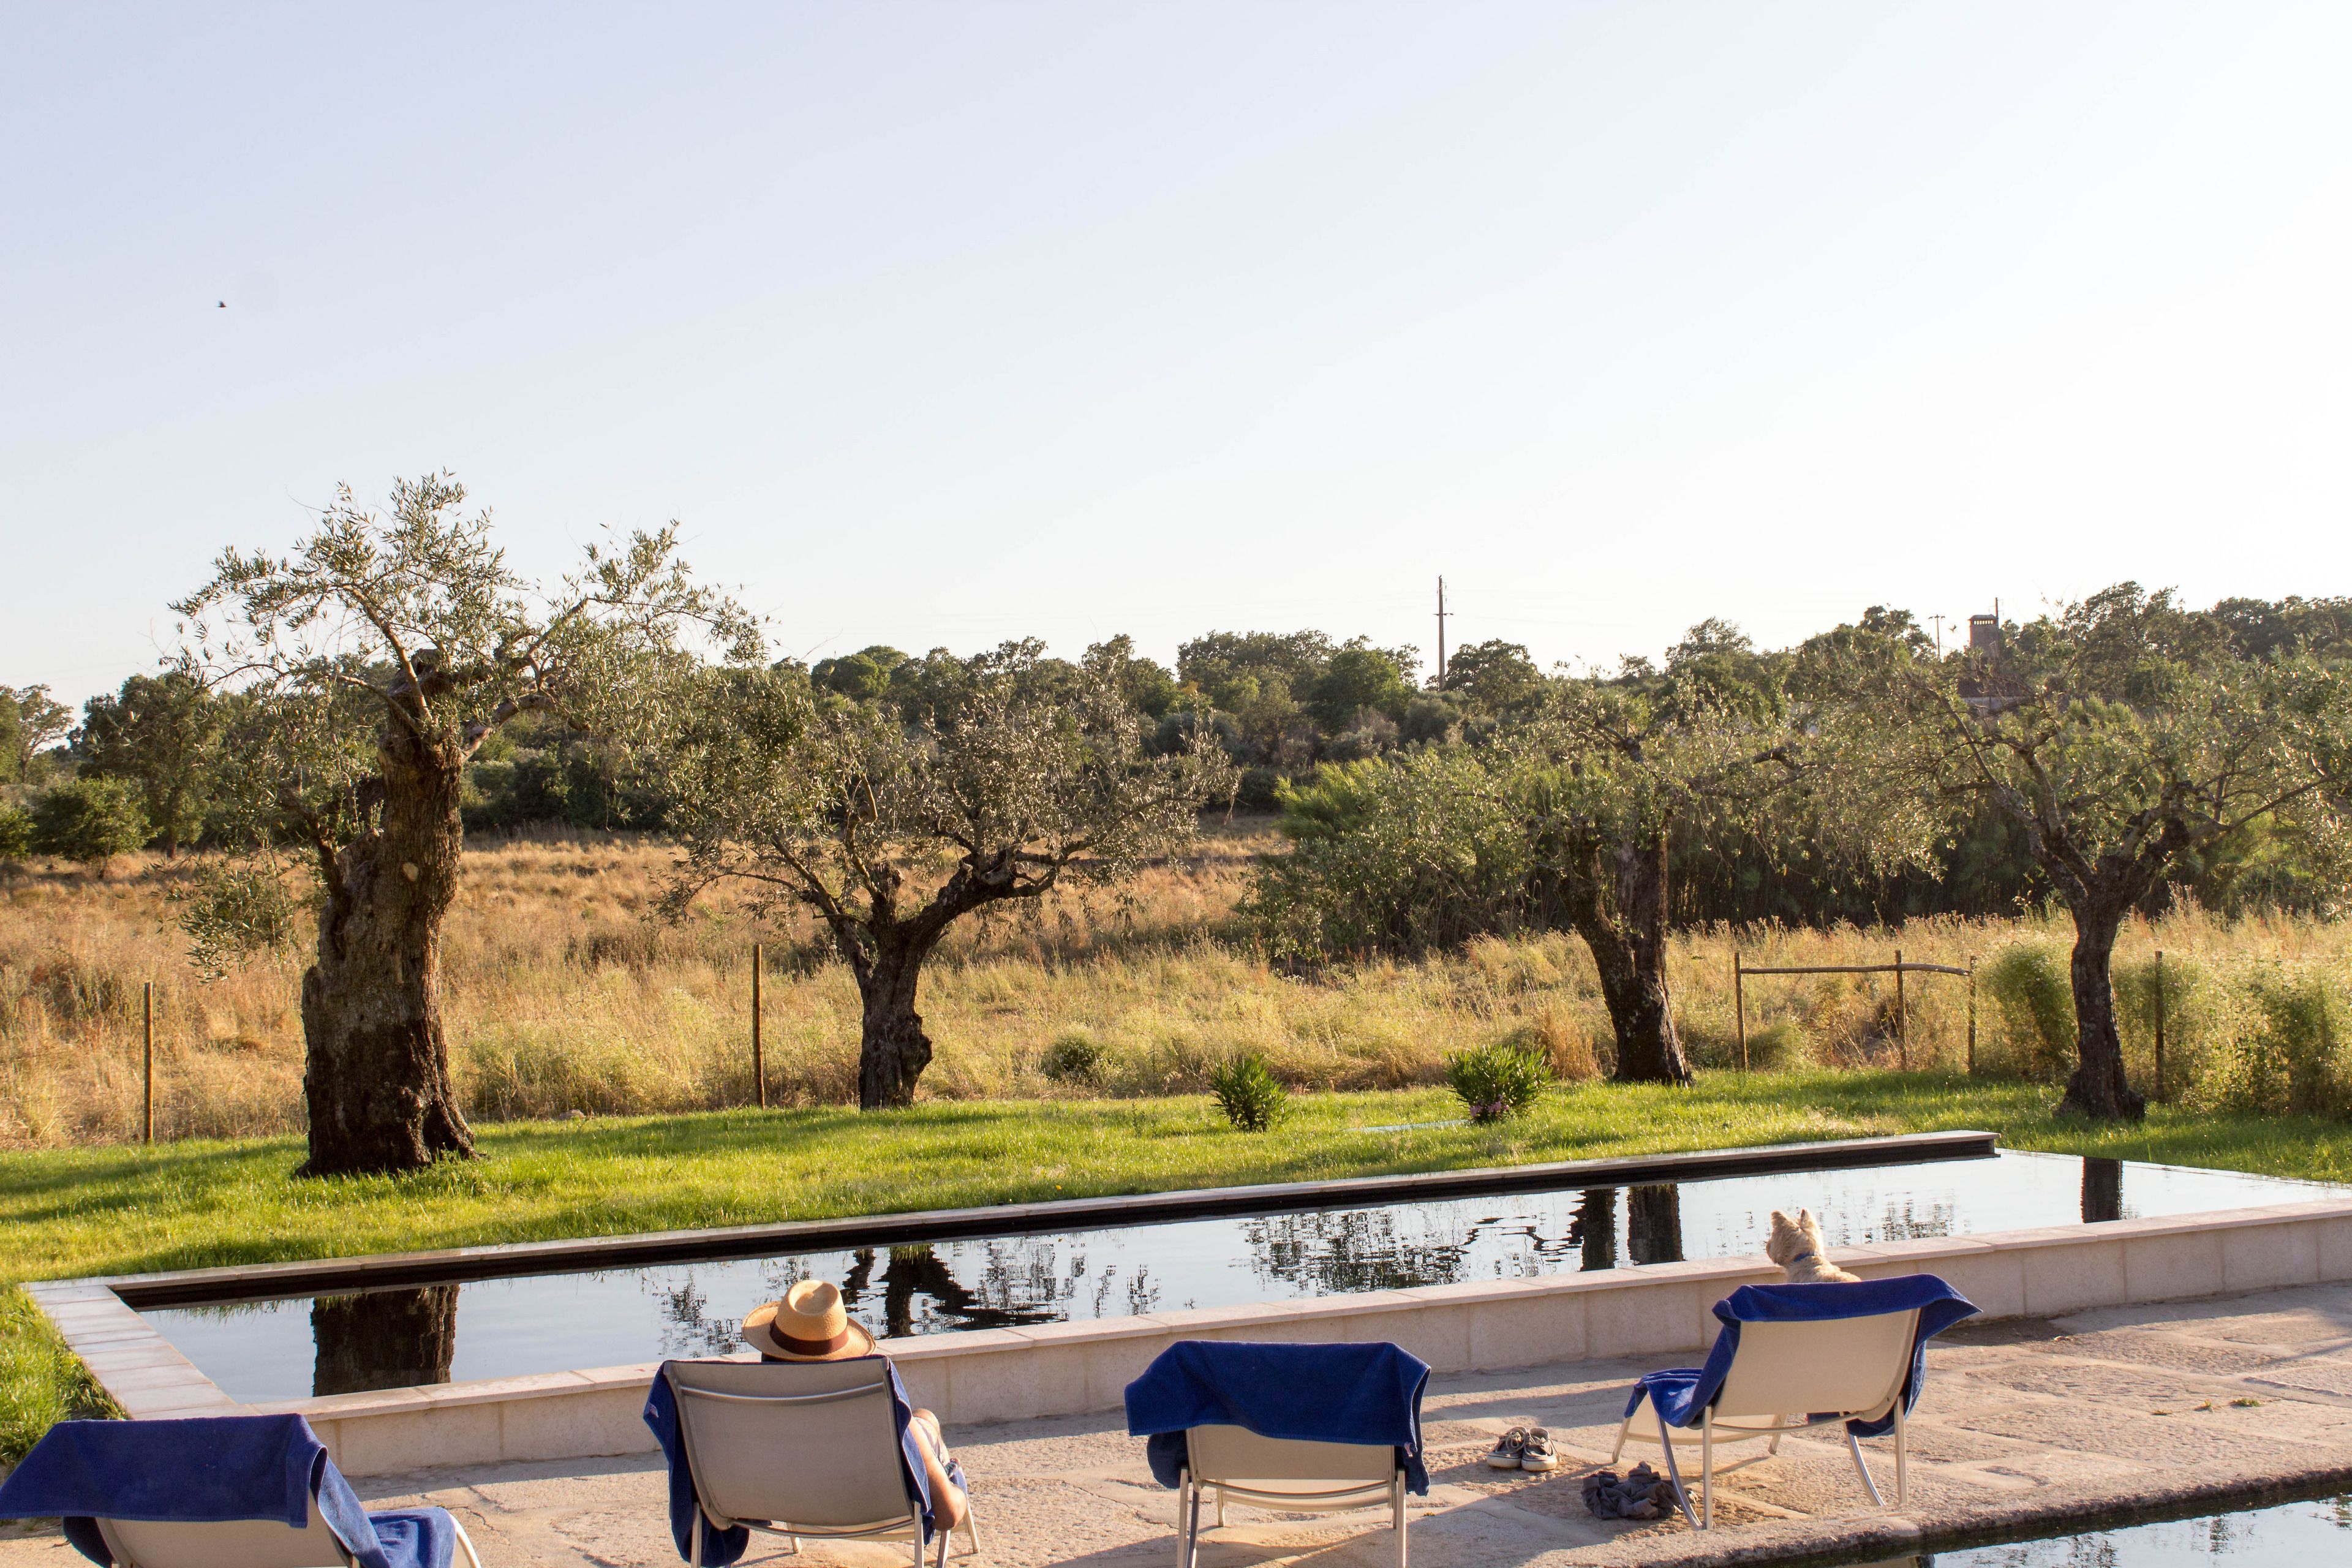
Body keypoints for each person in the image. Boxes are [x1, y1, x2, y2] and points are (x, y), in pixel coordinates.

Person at [742, 1280, 970, 1529]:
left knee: (922, 1420)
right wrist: (956, 1480)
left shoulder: (752, 1415)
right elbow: (946, 1515)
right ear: (842, 1355)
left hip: (798, 1505)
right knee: (924, 1422)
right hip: (874, 1512)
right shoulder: (883, 1412)